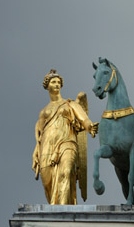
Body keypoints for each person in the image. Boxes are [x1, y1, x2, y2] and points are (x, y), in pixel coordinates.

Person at [32, 70, 97, 204]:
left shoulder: (70, 104)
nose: (56, 85)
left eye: (58, 82)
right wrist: (36, 152)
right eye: (53, 82)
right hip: (47, 147)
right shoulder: (43, 112)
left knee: (66, 172)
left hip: (67, 142)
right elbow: (40, 136)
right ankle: (55, 211)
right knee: (47, 181)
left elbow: (84, 119)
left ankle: (62, 211)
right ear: (47, 86)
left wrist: (90, 126)